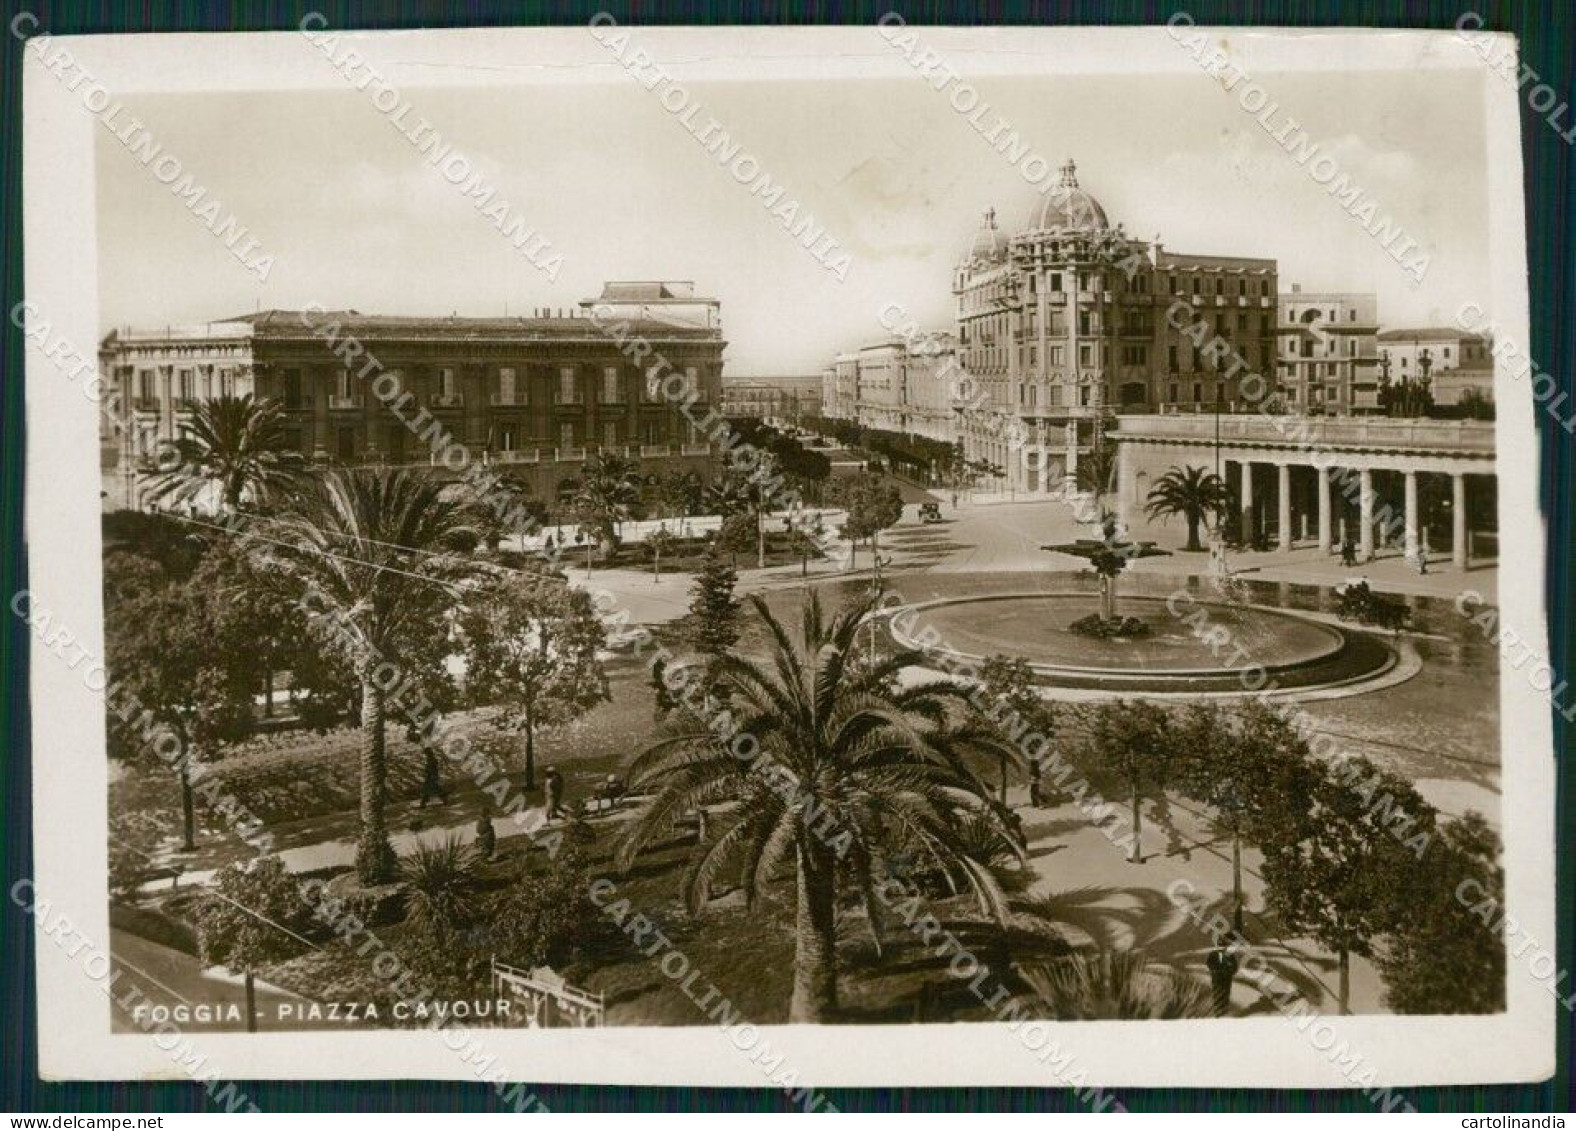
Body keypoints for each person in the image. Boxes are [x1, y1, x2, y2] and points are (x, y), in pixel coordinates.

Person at [1206, 941, 1241, 1017]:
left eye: (1223, 946)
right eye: (1220, 946)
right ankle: (1217, 1010)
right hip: (1217, 978)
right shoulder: (1213, 954)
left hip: (1226, 978)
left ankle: (1224, 1010)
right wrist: (1214, 970)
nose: (1222, 948)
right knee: (1217, 992)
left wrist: (1230, 973)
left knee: (1226, 993)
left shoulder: (1230, 955)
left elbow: (1235, 966)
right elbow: (1209, 963)